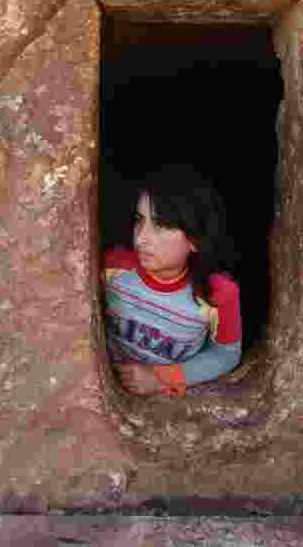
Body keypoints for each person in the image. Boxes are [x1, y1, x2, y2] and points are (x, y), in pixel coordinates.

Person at [102, 163, 242, 396]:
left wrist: (160, 378)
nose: (141, 239)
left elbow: (226, 355)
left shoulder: (218, 293)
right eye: (139, 220)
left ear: (195, 239)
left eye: (160, 225)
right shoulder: (113, 267)